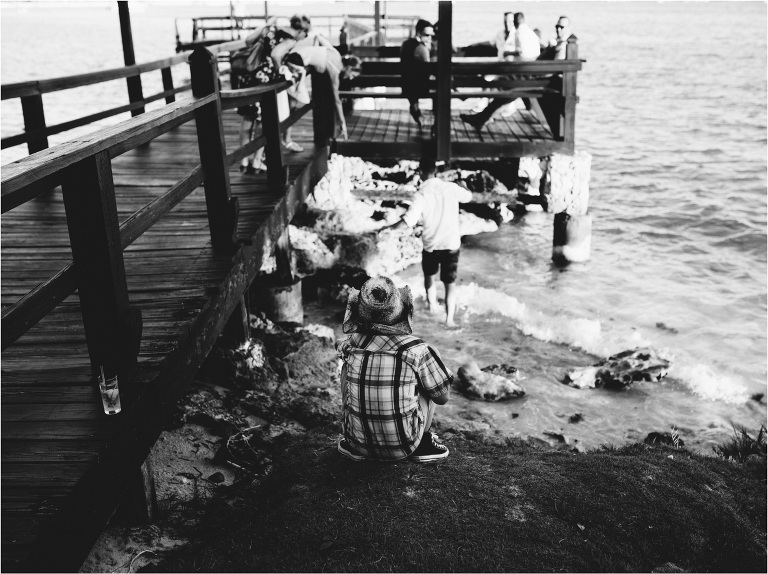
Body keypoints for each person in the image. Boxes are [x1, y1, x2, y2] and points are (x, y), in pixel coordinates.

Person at [336, 275, 453, 463]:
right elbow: (442, 398)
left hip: (357, 444)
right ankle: (422, 443)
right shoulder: (417, 349)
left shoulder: (351, 345)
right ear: (400, 312)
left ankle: (352, 442)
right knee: (427, 378)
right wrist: (436, 357)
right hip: (404, 446)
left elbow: (339, 345)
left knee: (345, 368)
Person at [385, 158, 473, 327]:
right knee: (450, 283)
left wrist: (388, 228)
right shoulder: (451, 187)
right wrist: (463, 185)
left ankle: (432, 306)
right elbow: (468, 197)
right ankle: (449, 320)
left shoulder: (421, 193)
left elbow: (408, 221)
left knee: (429, 277)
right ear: (436, 173)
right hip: (451, 243)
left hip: (431, 244)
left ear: (420, 173)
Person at [460, 12, 540, 131]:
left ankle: (482, 115)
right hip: (521, 73)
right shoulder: (525, 33)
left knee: (498, 87)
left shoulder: (520, 32)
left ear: (516, 22)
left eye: (511, 21)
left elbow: (524, 53)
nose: (508, 24)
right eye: (505, 21)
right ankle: (482, 117)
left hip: (520, 74)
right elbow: (491, 43)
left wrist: (508, 53)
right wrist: (469, 47)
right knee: (497, 88)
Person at [271, 37, 361, 141]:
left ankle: (285, 137)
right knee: (300, 101)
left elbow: (318, 37)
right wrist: (342, 122)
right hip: (295, 63)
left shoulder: (335, 53)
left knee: (291, 103)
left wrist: (313, 53)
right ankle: (283, 138)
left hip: (292, 56)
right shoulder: (335, 70)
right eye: (352, 75)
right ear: (349, 68)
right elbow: (336, 100)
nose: (351, 78)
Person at [400, 19, 434, 130]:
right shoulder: (422, 49)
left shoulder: (405, 44)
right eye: (427, 35)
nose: (430, 38)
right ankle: (438, 124)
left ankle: (415, 108)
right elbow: (429, 69)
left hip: (406, 86)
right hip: (421, 87)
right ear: (419, 33)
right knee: (440, 86)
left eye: (431, 35)